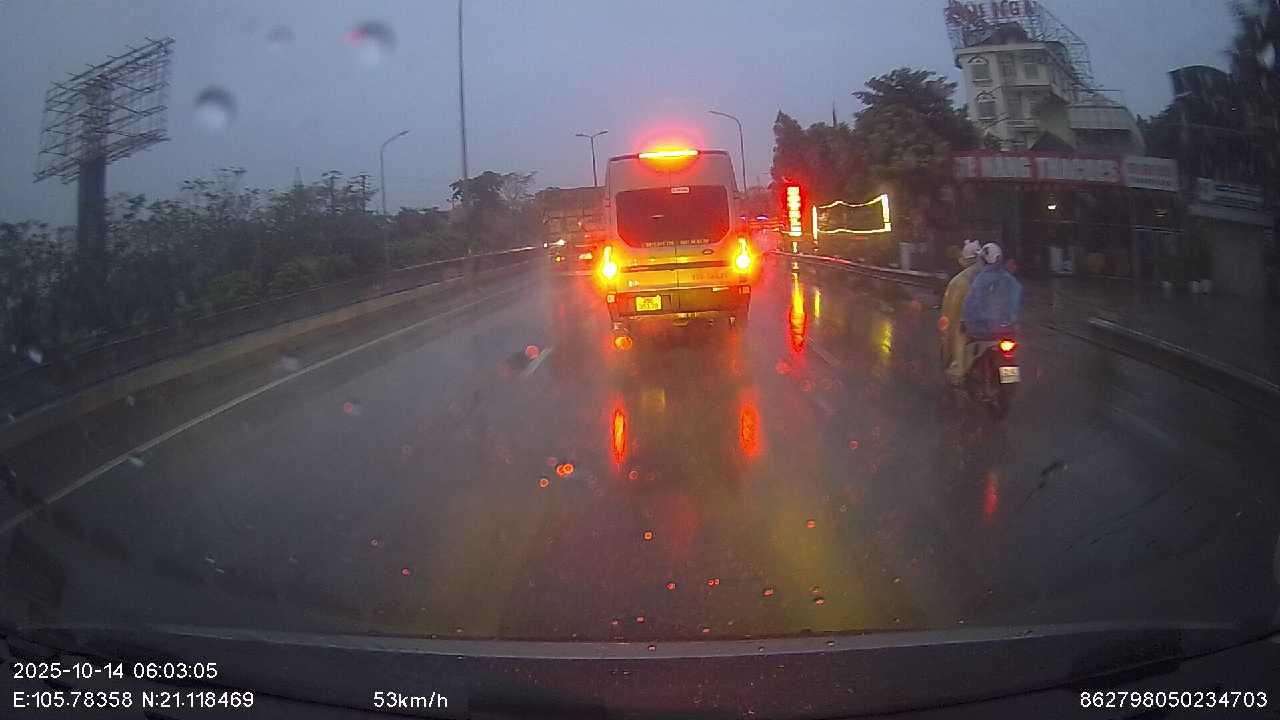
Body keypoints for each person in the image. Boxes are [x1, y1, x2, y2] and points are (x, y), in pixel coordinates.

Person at [939, 239, 983, 386]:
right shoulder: (995, 275)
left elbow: (950, 311)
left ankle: (958, 372)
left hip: (971, 325)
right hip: (998, 325)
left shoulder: (959, 281)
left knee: (959, 338)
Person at [962, 242, 1023, 341]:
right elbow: (1014, 305)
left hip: (977, 331)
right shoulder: (1010, 281)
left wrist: (965, 322)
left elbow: (969, 304)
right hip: (1004, 331)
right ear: (1000, 259)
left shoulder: (978, 280)